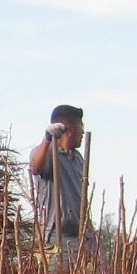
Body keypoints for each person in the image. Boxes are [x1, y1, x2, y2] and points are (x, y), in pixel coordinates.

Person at [28, 104, 92, 265]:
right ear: (69, 129)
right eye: (80, 126)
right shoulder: (48, 153)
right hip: (57, 237)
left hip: (82, 236)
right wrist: (47, 138)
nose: (83, 132)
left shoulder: (78, 159)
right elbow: (36, 167)